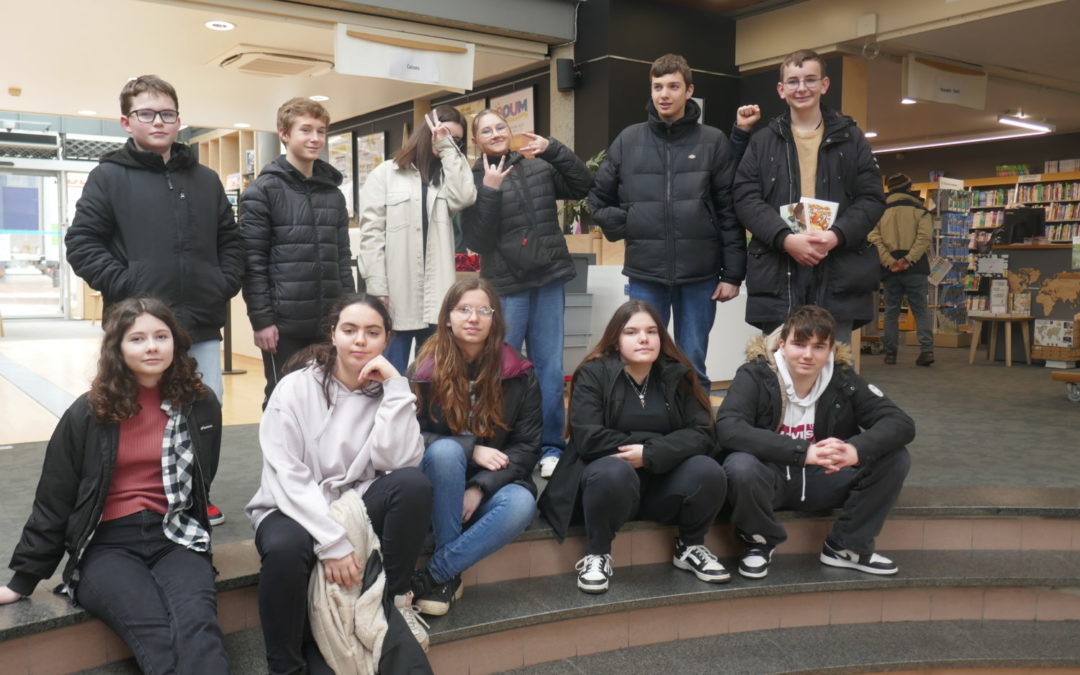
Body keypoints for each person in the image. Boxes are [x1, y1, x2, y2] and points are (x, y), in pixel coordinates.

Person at [1, 298, 228, 674]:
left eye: (161, 336)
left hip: (175, 536)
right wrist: (23, 581)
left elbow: (204, 474)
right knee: (155, 632)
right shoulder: (89, 411)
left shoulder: (200, 404)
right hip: (106, 544)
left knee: (198, 628)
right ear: (117, 349)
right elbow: (54, 500)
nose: (152, 346)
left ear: (176, 342)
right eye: (137, 338)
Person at [66, 75, 243, 526]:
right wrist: (129, 291)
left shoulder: (204, 179)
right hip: (138, 326)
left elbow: (231, 240)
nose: (158, 121)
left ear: (179, 120)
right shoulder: (108, 177)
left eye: (166, 113)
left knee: (204, 410)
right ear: (127, 121)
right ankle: (135, 496)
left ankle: (197, 496)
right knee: (136, 414)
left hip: (199, 323)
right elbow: (83, 243)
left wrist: (221, 283)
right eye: (146, 113)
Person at [245, 293, 434, 672]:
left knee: (413, 485)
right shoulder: (295, 387)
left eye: (371, 332)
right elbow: (286, 472)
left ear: (387, 339)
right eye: (349, 330)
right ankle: (286, 663)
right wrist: (332, 542)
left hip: (355, 503)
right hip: (289, 504)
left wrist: (397, 389)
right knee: (286, 547)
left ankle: (389, 601)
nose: (360, 340)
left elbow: (400, 461)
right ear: (333, 334)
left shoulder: (387, 390)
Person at [538, 300, 730, 594]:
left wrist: (651, 454)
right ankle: (597, 553)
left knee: (708, 470)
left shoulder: (676, 375)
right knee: (613, 471)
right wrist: (649, 449)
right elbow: (589, 437)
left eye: (651, 331)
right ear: (616, 340)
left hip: (661, 483)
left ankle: (690, 547)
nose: (643, 338)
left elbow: (703, 433)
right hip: (606, 485)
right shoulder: (593, 373)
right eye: (632, 332)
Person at [716, 305, 914, 579]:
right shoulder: (755, 375)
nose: (808, 355)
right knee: (740, 466)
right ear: (783, 344)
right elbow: (728, 427)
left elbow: (900, 423)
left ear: (831, 350)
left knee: (895, 457)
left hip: (826, 477)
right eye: (799, 344)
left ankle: (847, 547)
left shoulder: (844, 379)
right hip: (770, 480)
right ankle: (758, 542)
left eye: (819, 347)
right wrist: (802, 452)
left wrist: (855, 449)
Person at [589, 53, 745, 393]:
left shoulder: (713, 141)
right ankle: (646, 436)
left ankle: (698, 437)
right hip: (646, 274)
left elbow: (729, 210)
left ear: (689, 91)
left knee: (692, 363)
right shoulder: (628, 140)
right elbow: (597, 201)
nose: (664, 94)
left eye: (673, 86)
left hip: (700, 276)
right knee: (641, 361)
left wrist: (733, 275)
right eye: (658, 86)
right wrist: (629, 221)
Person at [461, 108, 593, 479]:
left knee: (550, 369)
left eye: (500, 126)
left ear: (510, 130)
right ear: (476, 140)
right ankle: (501, 445)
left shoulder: (537, 165)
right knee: (501, 368)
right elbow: (476, 241)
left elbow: (583, 184)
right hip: (506, 286)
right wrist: (489, 190)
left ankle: (551, 446)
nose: (495, 133)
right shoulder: (471, 178)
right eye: (486, 130)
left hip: (548, 278)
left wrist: (553, 149)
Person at [733, 49, 885, 344]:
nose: (801, 88)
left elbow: (872, 198)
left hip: (838, 271)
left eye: (810, 80)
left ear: (824, 85)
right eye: (793, 81)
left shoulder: (852, 139)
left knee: (835, 372)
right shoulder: (762, 142)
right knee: (777, 375)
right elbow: (745, 199)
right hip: (779, 274)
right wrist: (785, 239)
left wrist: (837, 235)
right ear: (781, 89)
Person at [407, 278, 541, 615]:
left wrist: (480, 488)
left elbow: (527, 447)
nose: (473, 317)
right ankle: (445, 574)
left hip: (494, 484)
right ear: (447, 317)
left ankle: (436, 574)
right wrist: (471, 450)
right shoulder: (422, 371)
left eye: (484, 310)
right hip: (438, 482)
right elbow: (409, 436)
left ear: (495, 319)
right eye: (463, 309)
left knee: (522, 503)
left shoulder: (520, 374)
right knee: (446, 451)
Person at [241, 97, 357, 408]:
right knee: (285, 401)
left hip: (329, 322)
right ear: (284, 134)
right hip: (283, 325)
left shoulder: (333, 195)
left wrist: (351, 313)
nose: (315, 139)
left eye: (321, 131)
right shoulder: (261, 192)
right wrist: (262, 320)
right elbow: (253, 264)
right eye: (305, 130)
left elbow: (342, 260)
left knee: (331, 399)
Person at [359, 106, 477, 373]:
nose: (450, 141)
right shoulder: (386, 174)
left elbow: (466, 196)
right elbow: (371, 235)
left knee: (433, 379)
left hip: (437, 294)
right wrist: (377, 286)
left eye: (457, 139)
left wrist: (448, 148)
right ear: (427, 130)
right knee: (389, 375)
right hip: (396, 293)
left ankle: (425, 418)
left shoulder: (447, 178)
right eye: (445, 133)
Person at [868, 173, 935, 366]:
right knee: (921, 310)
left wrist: (890, 261)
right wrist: (909, 260)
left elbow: (874, 238)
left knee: (891, 311)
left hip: (890, 270)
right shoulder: (921, 211)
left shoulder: (880, 212)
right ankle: (927, 350)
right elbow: (924, 238)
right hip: (916, 268)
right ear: (908, 188)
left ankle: (890, 353)